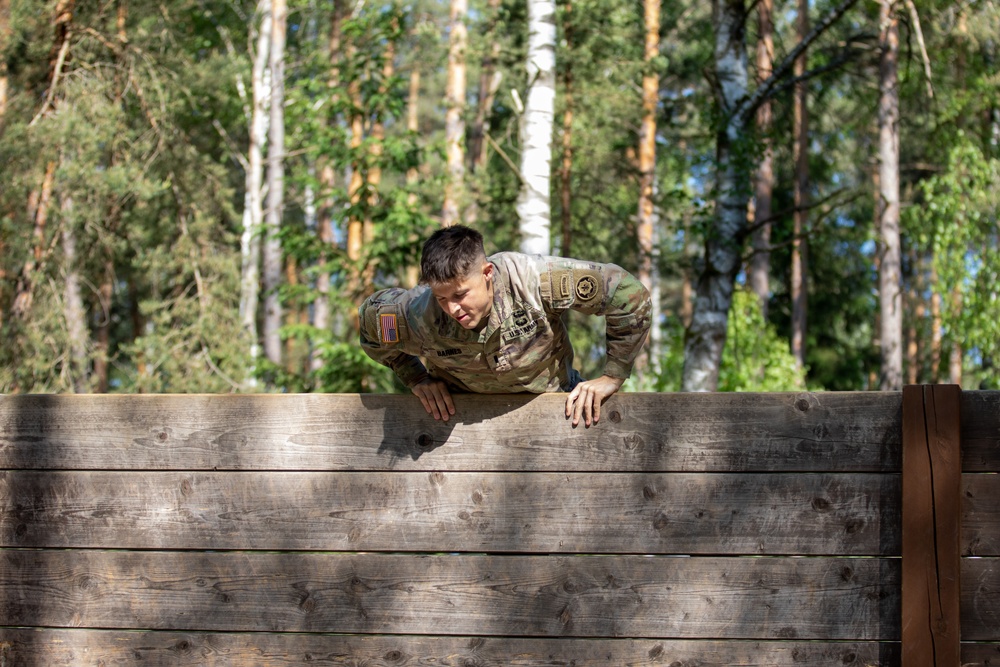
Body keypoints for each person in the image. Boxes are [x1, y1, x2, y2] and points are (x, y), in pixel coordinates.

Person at [359, 225, 651, 427]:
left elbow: (627, 294)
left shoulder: (534, 281)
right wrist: (417, 379)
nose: (452, 308)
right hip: (460, 418)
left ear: (486, 273)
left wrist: (613, 376)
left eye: (460, 295)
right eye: (441, 297)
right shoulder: (417, 314)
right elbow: (370, 324)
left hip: (560, 405)